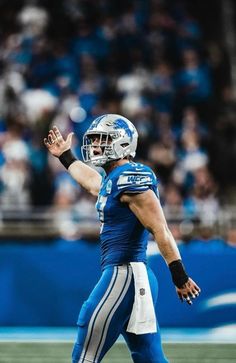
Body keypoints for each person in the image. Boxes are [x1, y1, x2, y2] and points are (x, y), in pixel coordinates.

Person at [44, 114, 201, 363]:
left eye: (102, 140)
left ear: (123, 143)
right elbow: (95, 184)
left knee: (85, 354)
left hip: (124, 275)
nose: (95, 146)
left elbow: (160, 229)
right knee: (149, 357)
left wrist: (179, 275)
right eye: (94, 140)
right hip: (134, 276)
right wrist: (66, 157)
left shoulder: (132, 177)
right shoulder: (114, 180)